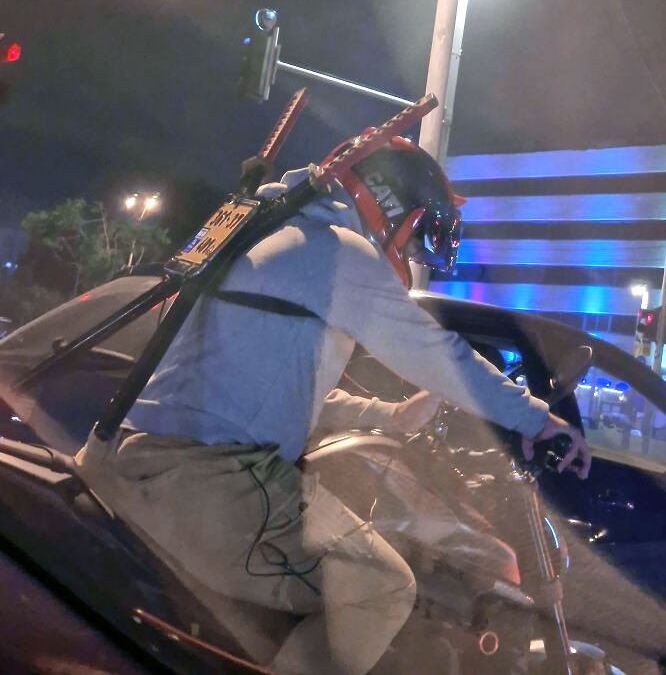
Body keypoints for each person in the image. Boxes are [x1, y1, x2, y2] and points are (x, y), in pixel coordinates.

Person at [76, 136, 590, 675]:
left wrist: (389, 417)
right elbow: (436, 353)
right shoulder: (339, 251)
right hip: (210, 477)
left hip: (143, 455)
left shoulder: (276, 233)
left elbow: (273, 382)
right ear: (398, 213)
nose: (413, 258)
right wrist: (538, 418)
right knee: (382, 586)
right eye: (416, 242)